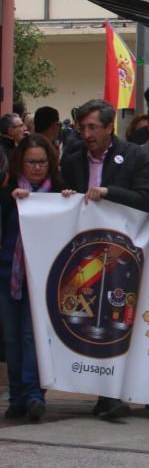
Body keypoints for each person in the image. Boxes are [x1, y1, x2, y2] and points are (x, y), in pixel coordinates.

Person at [60, 99, 149, 420]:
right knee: (88, 321)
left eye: (93, 127)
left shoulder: (133, 156)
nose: (86, 134)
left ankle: (113, 393)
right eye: (82, 127)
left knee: (117, 320)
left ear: (109, 127)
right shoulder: (72, 160)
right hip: (84, 253)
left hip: (120, 254)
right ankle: (100, 389)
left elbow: (145, 197)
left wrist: (108, 191)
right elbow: (62, 194)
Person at [0, 135, 63, 423]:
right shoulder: (7, 193)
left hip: (42, 278)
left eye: (41, 162)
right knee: (12, 339)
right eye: (30, 162)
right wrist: (12, 203)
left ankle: (34, 395)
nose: (36, 168)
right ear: (20, 164)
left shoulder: (60, 193)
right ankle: (16, 399)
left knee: (31, 336)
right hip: (9, 275)